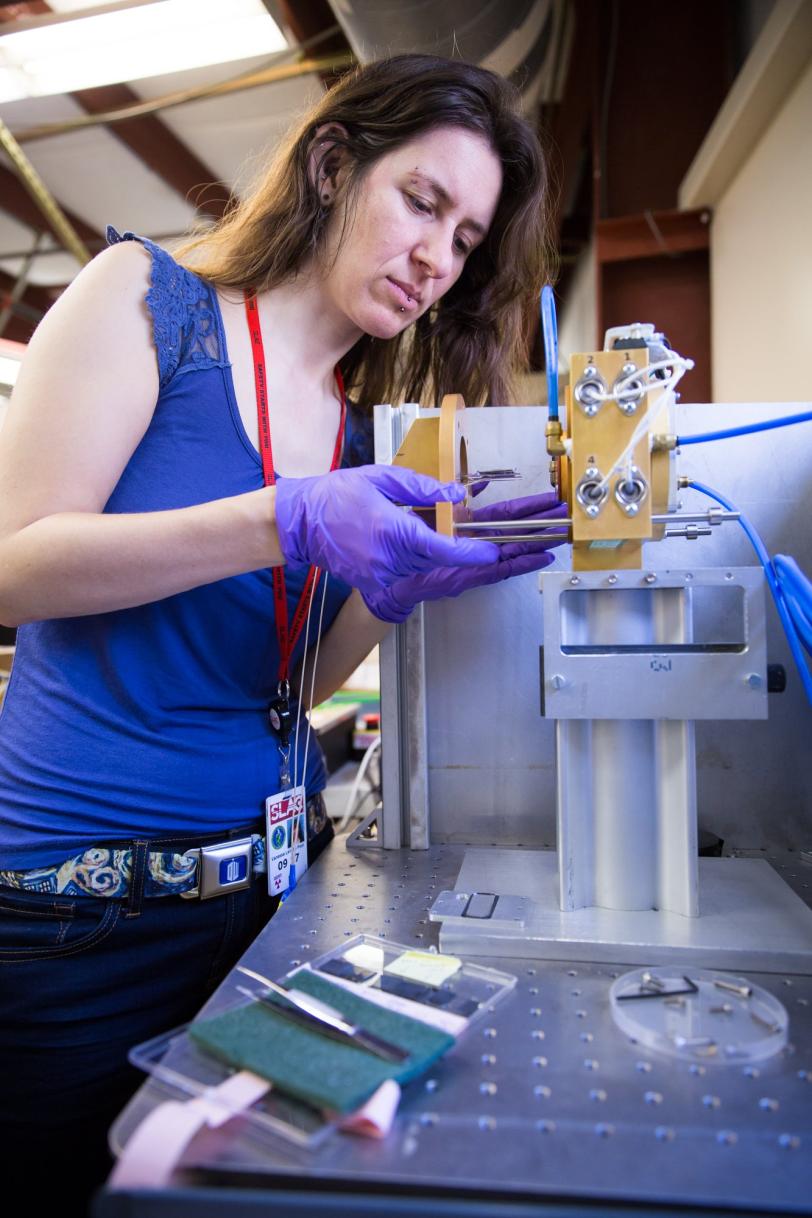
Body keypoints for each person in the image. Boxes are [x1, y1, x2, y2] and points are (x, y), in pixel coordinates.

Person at [0, 53, 563, 1204]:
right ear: (330, 163)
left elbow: (287, 688)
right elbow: (10, 572)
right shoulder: (143, 300)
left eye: (462, 241)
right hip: (77, 920)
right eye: (422, 202)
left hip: (271, 904)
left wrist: (388, 598)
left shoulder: (359, 430)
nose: (434, 259)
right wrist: (285, 516)